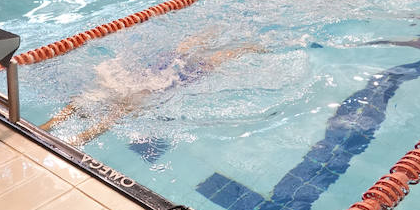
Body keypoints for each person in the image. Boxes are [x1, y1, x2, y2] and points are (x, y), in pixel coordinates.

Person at [42, 31, 266, 146]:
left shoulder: (129, 101)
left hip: (168, 75)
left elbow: (99, 124)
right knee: (190, 54)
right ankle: (232, 39)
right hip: (167, 75)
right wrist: (53, 126)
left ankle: (244, 46)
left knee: (198, 56)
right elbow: (88, 114)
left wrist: (68, 136)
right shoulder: (127, 97)